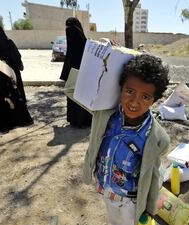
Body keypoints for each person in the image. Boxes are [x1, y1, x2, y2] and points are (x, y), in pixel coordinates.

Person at [78, 54, 171, 224]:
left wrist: (150, 208)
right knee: (113, 219)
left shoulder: (155, 138)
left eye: (145, 97)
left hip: (130, 200)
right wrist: (109, 56)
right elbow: (76, 89)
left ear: (154, 100)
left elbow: (154, 174)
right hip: (106, 189)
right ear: (120, 88)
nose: (134, 102)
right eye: (129, 91)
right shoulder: (106, 115)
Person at [0, 26, 33, 133]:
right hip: (7, 72)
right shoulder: (5, 43)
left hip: (6, 73)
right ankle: (18, 114)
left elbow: (13, 57)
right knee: (12, 92)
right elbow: (17, 56)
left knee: (10, 92)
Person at [60, 17, 92, 128]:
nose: (68, 30)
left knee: (81, 97)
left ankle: (83, 121)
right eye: (67, 28)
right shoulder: (78, 44)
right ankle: (75, 120)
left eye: (70, 27)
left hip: (83, 75)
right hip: (74, 75)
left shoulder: (88, 45)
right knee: (73, 96)